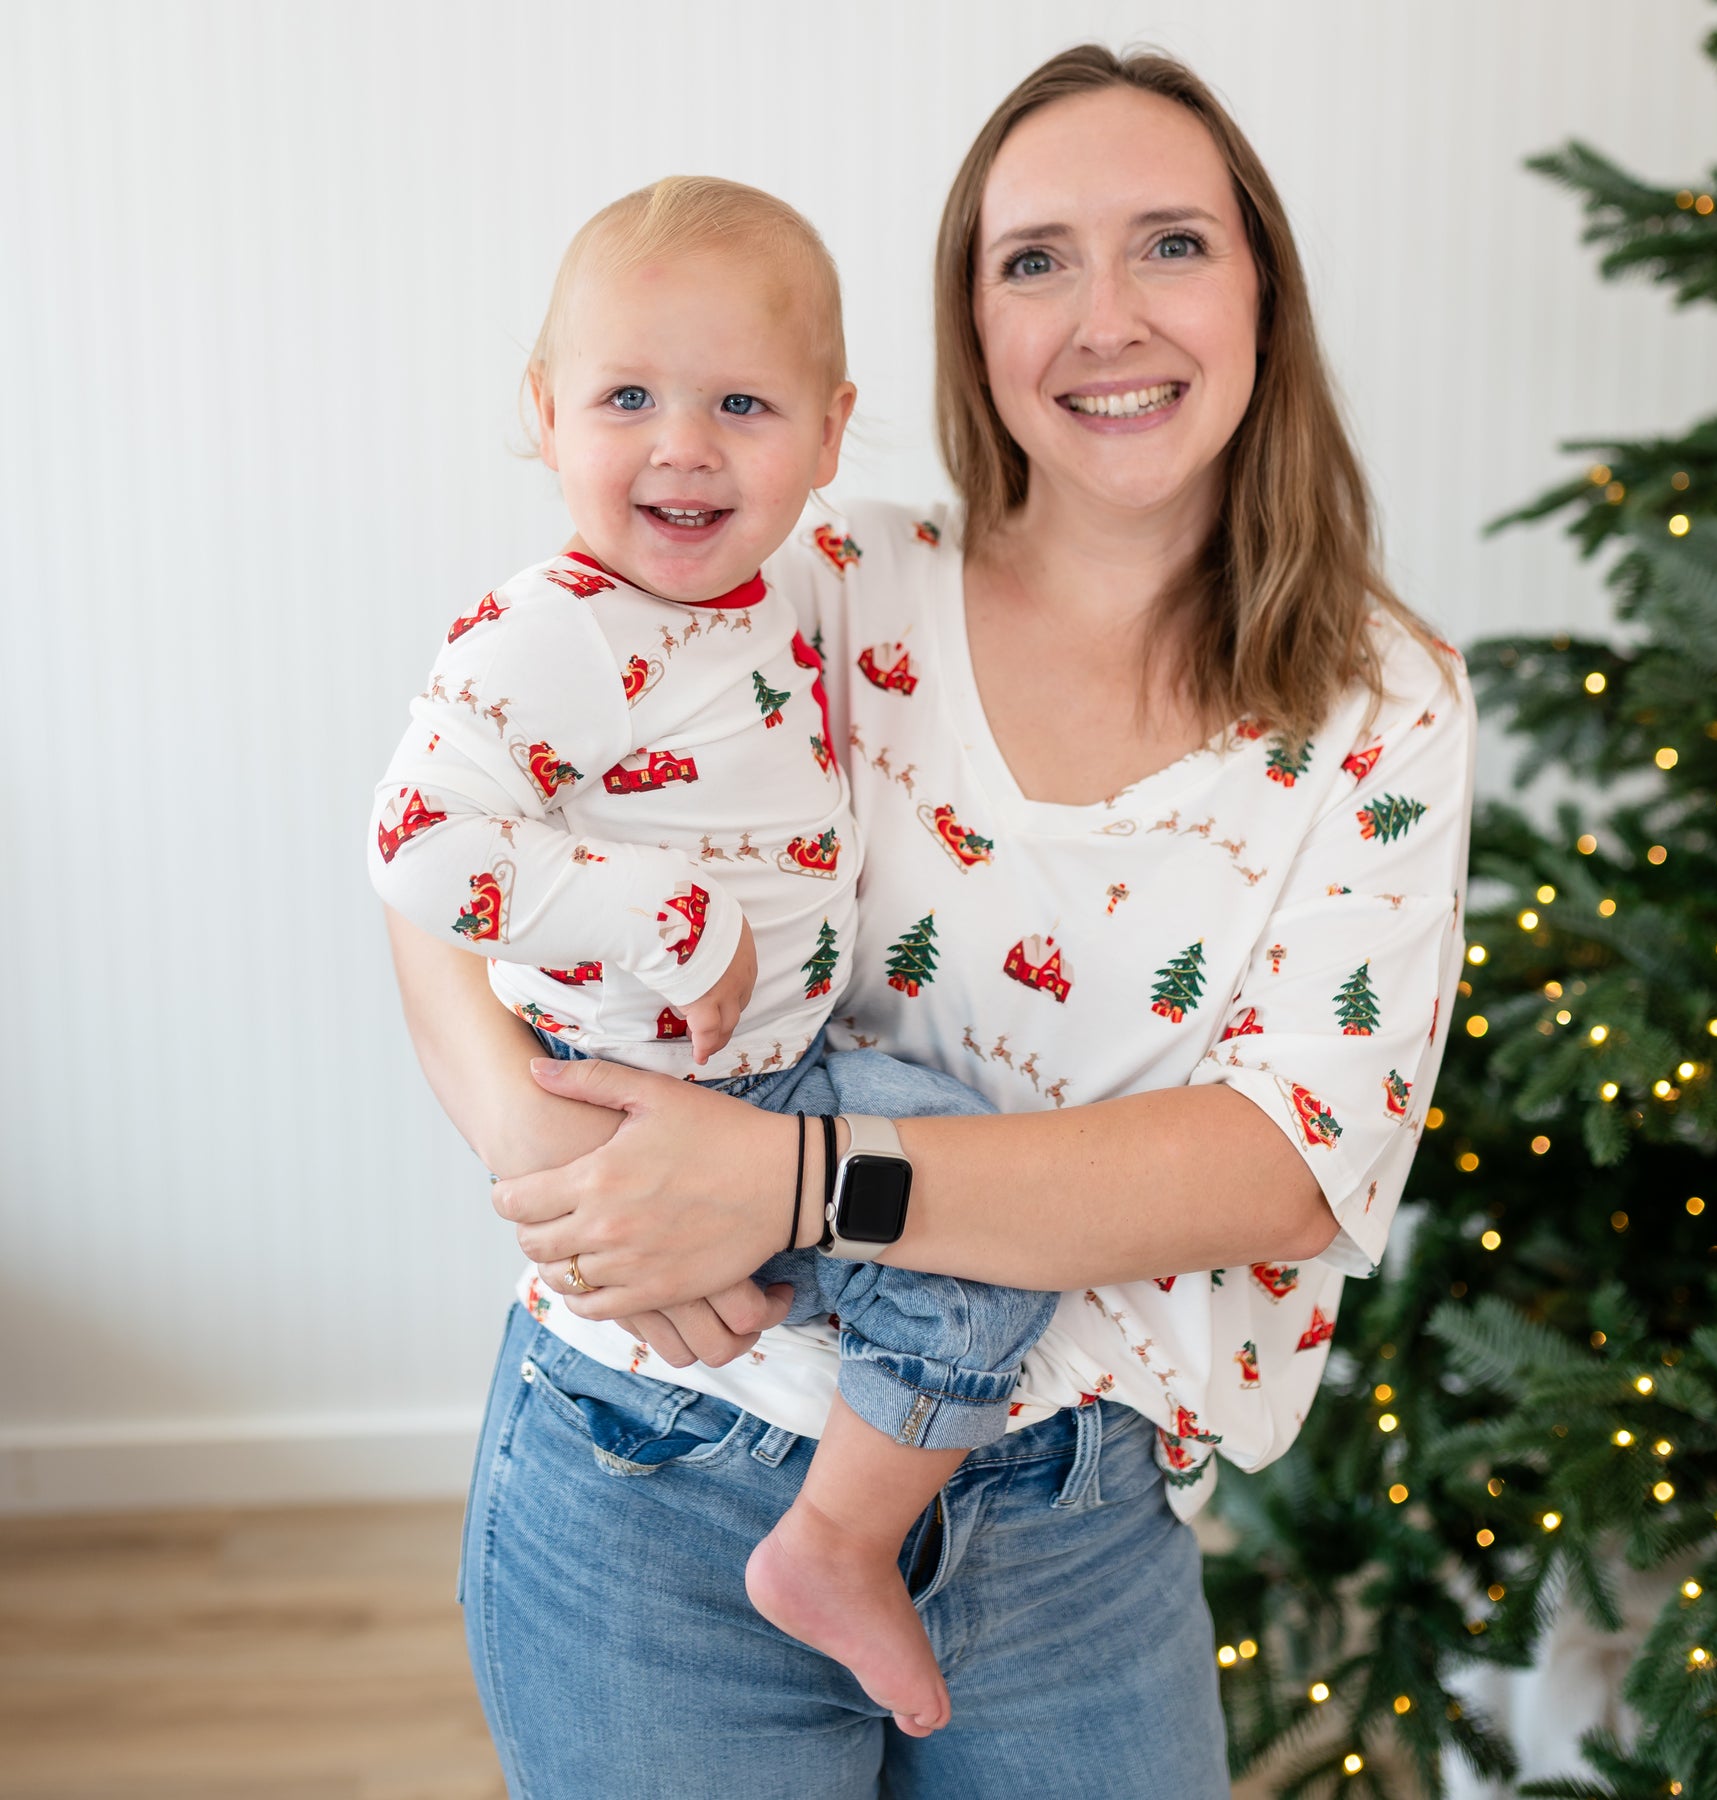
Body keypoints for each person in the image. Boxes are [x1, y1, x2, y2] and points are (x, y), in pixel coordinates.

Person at [385, 44, 1475, 1800]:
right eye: (1035, 258)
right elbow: (444, 848)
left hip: (1072, 1513)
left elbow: (1293, 1156)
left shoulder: (1380, 700)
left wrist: (801, 1186)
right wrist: (541, 1147)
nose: (1104, 315)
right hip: (656, 1457)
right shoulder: (804, 576)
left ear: (1265, 286)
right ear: (969, 330)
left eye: (1172, 244)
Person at [369, 175, 1065, 1734]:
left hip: (777, 1070)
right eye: (629, 397)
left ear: (829, 437)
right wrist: (665, 919)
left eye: (741, 403)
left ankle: (836, 1529)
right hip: (658, 1096)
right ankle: (838, 1544)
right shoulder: (552, 632)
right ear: (546, 415)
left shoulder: (772, 596)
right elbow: (418, 847)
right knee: (975, 1241)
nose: (683, 442)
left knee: (992, 1198)